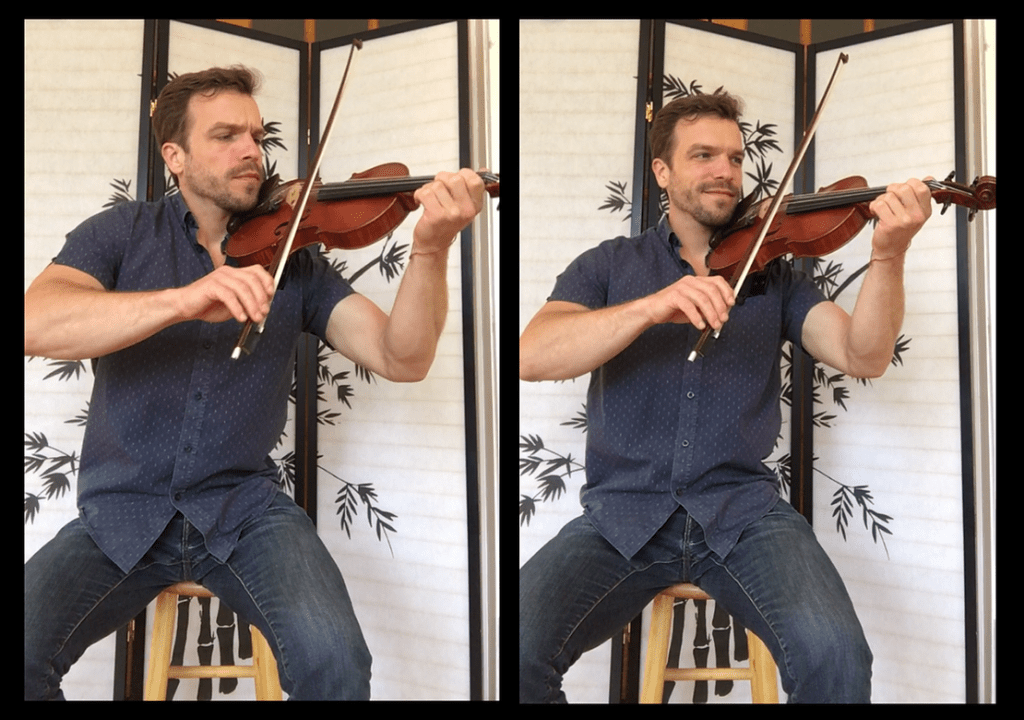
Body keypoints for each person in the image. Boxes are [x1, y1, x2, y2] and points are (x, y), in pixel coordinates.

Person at [24, 65, 486, 701]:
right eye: (225, 136)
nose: (251, 150)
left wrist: (431, 250)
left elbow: (400, 356)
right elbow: (34, 323)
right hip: (120, 509)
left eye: (255, 134)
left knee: (337, 664)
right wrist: (185, 300)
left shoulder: (294, 255)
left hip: (243, 511)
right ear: (175, 156)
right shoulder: (121, 234)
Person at [518, 91, 932, 703]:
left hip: (742, 514)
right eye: (703, 155)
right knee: (517, 651)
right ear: (663, 171)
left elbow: (863, 354)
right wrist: (654, 306)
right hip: (622, 515)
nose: (725, 172)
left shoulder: (776, 272)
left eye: (735, 158)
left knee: (837, 657)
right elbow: (532, 354)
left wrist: (888, 253)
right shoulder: (609, 265)